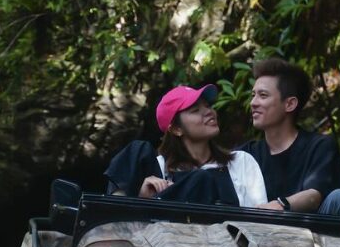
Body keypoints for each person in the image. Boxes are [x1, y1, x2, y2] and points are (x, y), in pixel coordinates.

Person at [105, 84, 267, 207]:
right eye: (195, 110)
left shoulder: (241, 161)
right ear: (176, 128)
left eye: (208, 106)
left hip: (225, 245)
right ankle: (118, 208)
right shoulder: (160, 168)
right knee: (137, 149)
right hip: (167, 244)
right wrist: (143, 198)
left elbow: (257, 220)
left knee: (201, 179)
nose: (209, 112)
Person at [238, 58, 340, 215]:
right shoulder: (245, 155)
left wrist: (280, 205)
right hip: (258, 234)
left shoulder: (319, 146)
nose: (253, 103)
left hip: (315, 233)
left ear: (290, 104)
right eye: (253, 95)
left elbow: (315, 195)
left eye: (263, 95)